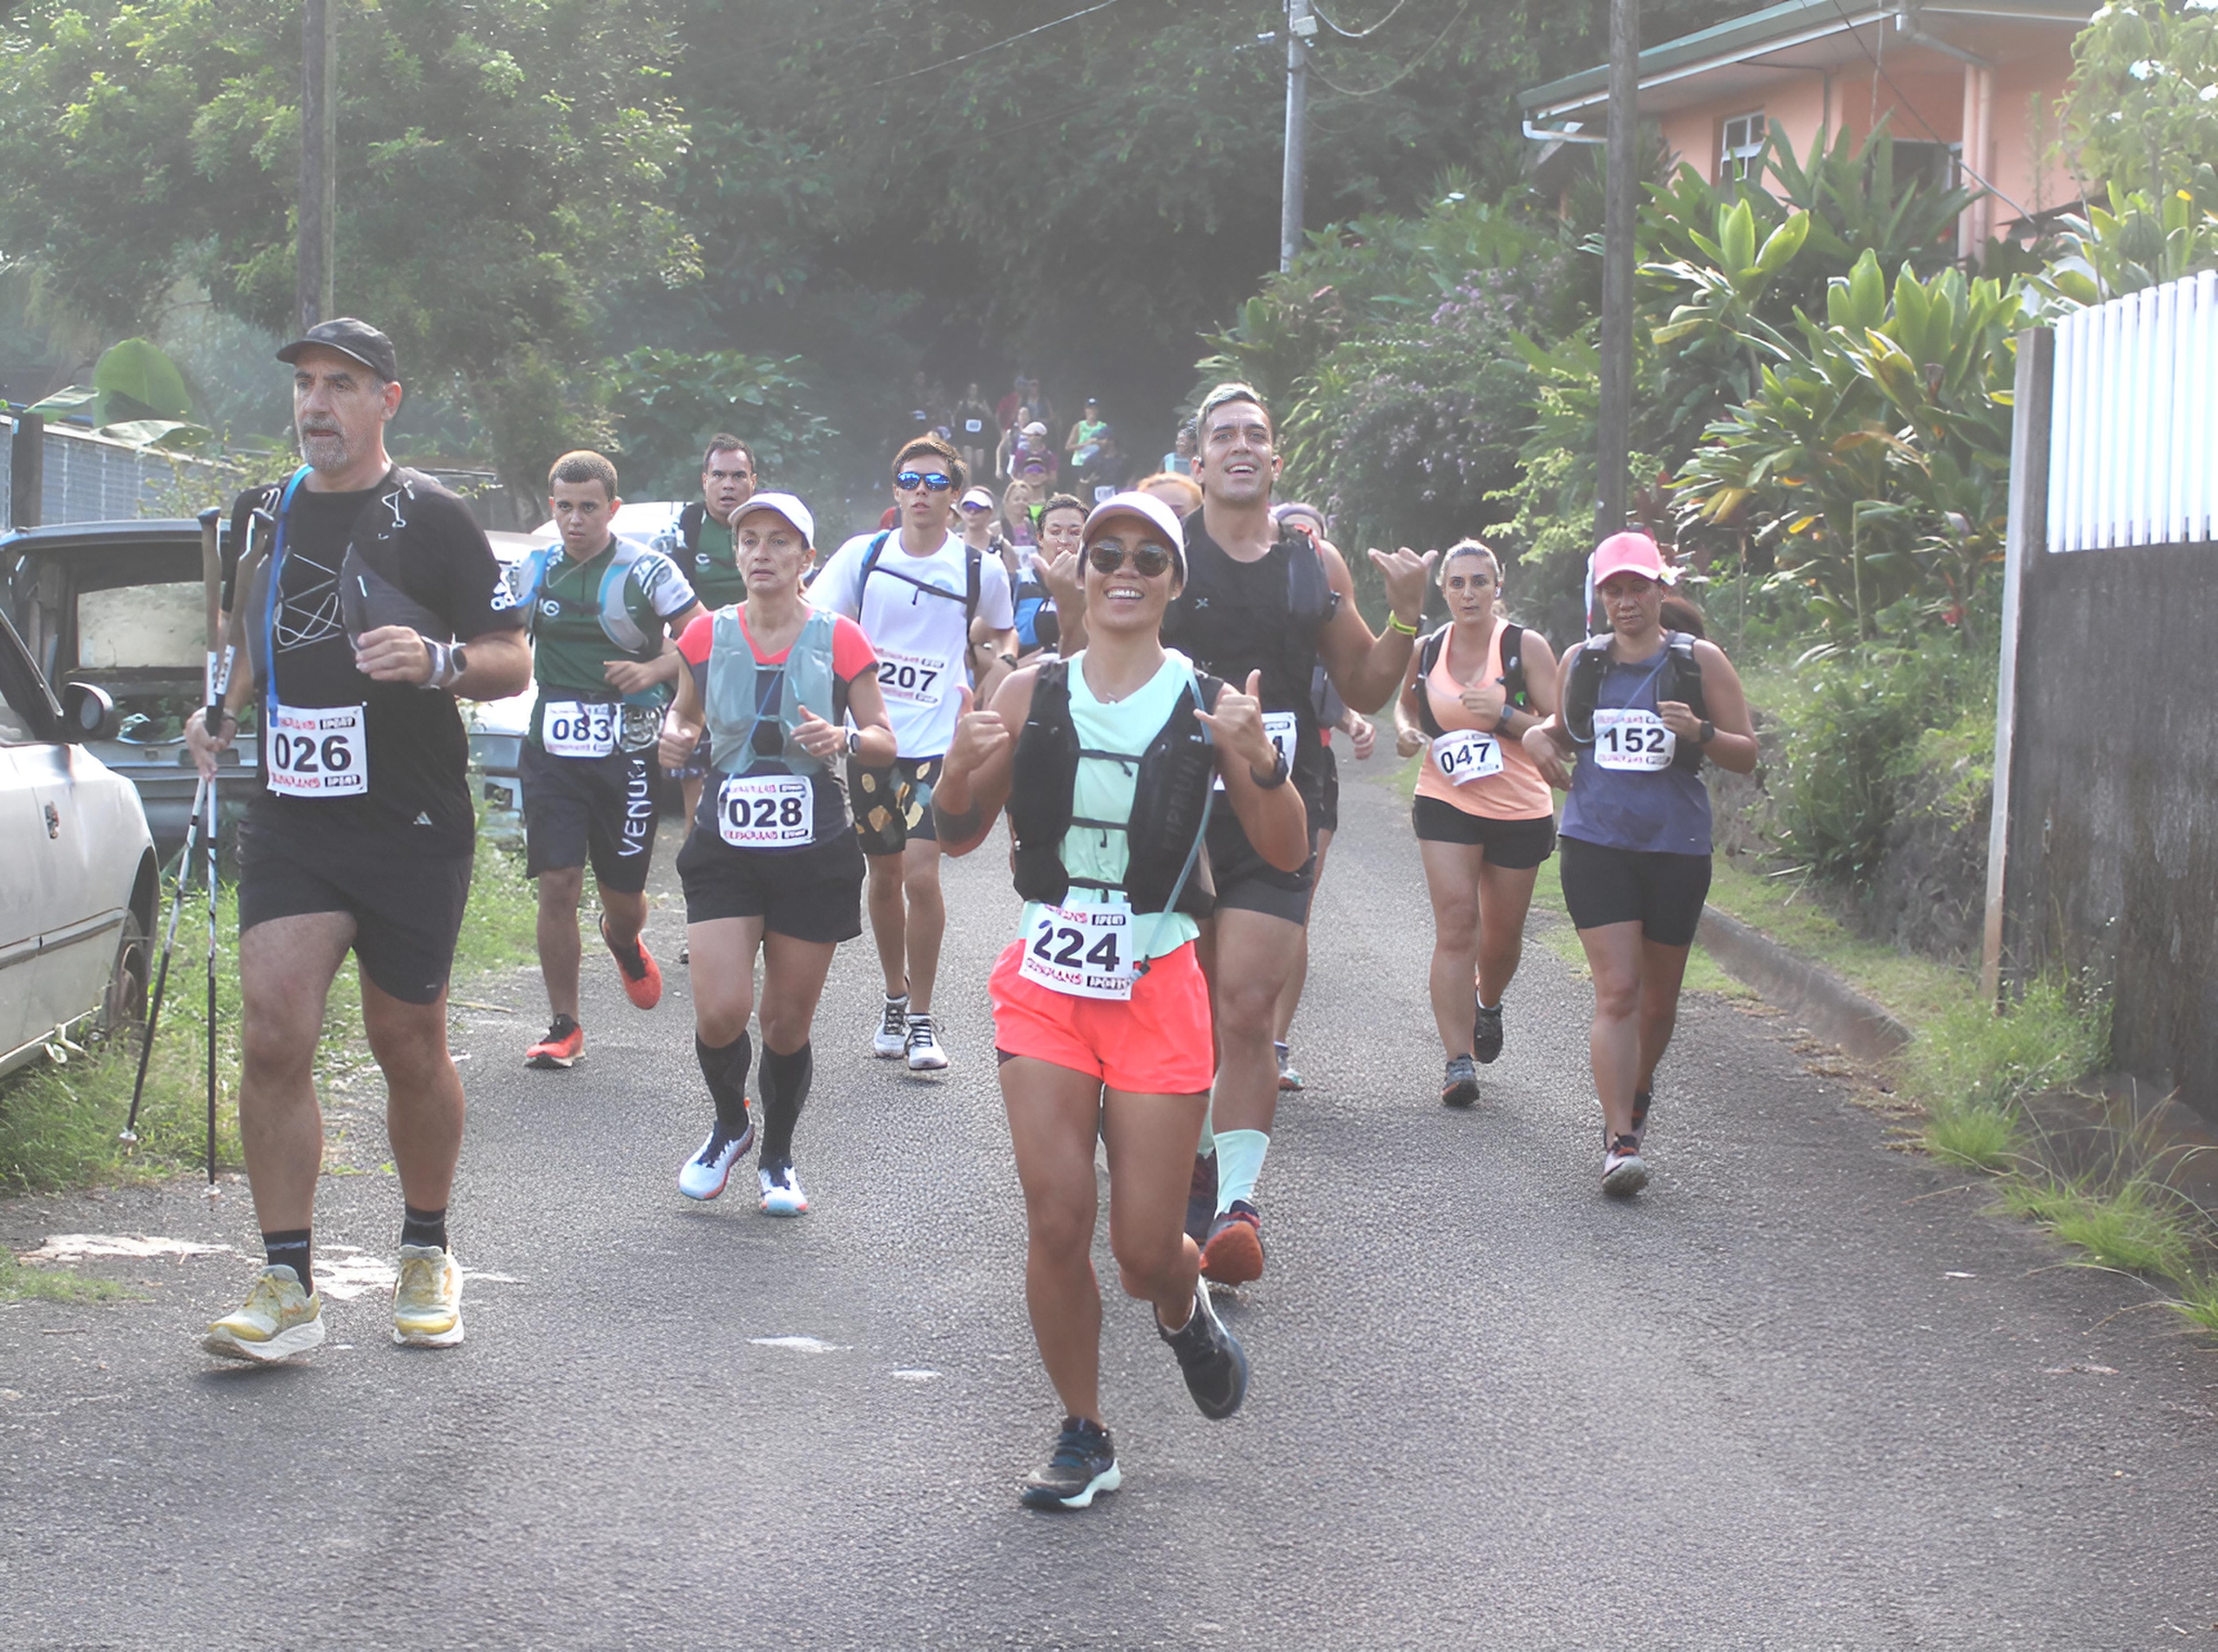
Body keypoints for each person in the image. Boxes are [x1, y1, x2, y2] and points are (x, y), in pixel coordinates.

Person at [932, 490, 1307, 1510]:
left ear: (1174, 582)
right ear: (1080, 572)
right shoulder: (1026, 692)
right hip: (1046, 986)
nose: (1125, 569)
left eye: (1149, 555)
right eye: (1107, 554)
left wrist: (1262, 761)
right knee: (1057, 1220)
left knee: (1144, 1254)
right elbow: (956, 829)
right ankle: (1085, 1431)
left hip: (1156, 987)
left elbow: (1285, 851)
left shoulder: (1210, 703)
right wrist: (959, 776)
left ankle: (1184, 1314)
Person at [186, 317, 532, 1361]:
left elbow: (511, 659)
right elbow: (249, 626)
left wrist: (434, 662)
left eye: (340, 384)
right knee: (274, 1029)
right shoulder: (266, 511)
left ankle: (426, 1249)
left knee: (404, 1044)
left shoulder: (431, 516)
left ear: (388, 398)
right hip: (295, 813)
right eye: (304, 385)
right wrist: (225, 709)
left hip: (411, 821)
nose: (315, 405)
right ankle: (286, 1283)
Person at [1047, 385, 1431, 1285]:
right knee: (1179, 1017)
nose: (1241, 447)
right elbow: (1094, 655)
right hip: (1170, 815)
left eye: (1256, 434)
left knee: (1247, 1008)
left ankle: (1237, 1207)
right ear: (1198, 459)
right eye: (1224, 436)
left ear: (1277, 458)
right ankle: (1181, 1167)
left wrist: (1408, 614)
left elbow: (1367, 684)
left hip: (1274, 803)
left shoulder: (1309, 562)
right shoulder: (1166, 554)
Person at [657, 492, 895, 1214]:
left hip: (812, 845)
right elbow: (685, 710)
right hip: (727, 842)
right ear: (736, 554)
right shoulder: (704, 634)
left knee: (785, 1023)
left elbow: (885, 737)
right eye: (750, 540)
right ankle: (731, 1124)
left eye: (779, 542)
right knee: (720, 1011)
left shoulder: (840, 636)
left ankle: (779, 1158)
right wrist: (673, 733)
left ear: (806, 559)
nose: (762, 552)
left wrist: (845, 740)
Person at [1522, 532, 1757, 1195]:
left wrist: (1701, 733)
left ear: (1661, 590)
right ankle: (1619, 1137)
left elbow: (1746, 753)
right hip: (1597, 842)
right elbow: (1559, 729)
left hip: (1675, 847)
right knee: (1618, 991)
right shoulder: (1584, 663)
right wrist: (1539, 738)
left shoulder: (1698, 662)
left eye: (1637, 588)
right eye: (1614, 590)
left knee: (1659, 1003)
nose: (1626, 602)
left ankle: (1638, 1085)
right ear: (1600, 598)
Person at [808, 434, 1017, 1071]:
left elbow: (1003, 629)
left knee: (922, 876)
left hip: (936, 746)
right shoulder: (861, 557)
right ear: (895, 489)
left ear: (956, 496)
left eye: (935, 483)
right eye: (910, 480)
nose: (921, 492)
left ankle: (923, 1019)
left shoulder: (980, 569)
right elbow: (820, 624)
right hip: (874, 743)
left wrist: (1000, 664)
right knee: (886, 877)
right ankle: (894, 998)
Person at [510, 451, 705, 1069]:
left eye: (587, 507)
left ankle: (622, 939)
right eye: (564, 507)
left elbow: (704, 638)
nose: (574, 520)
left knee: (623, 898)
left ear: (612, 509)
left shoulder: (649, 571)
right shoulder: (532, 569)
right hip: (553, 750)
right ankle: (564, 1024)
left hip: (628, 749)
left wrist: (653, 668)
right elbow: (498, 638)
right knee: (558, 883)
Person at [1394, 540, 1561, 1107]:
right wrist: (1405, 730)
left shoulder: (1523, 647)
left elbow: (1561, 723)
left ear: (1497, 588)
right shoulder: (1429, 647)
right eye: (1458, 583)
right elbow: (1407, 704)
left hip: (1518, 806)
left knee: (1501, 938)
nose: (1468, 593)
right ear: (1443, 590)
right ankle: (1456, 1059)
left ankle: (1486, 1001)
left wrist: (1507, 715)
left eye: (1479, 582)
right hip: (1446, 797)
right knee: (1457, 923)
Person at [1261, 503, 1374, 1094]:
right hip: (1228, 764)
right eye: (1293, 530)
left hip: (1307, 765)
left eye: (1314, 533)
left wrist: (1356, 721)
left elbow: (1345, 679)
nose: (1303, 538)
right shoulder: (1252, 594)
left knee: (1293, 907)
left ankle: (1276, 1044)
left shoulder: (1324, 600)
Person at [651, 435, 758, 830]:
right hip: (699, 677)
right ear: (705, 481)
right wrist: (670, 663)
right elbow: (653, 624)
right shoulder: (682, 533)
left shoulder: (771, 528)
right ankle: (702, 874)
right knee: (700, 806)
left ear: (753, 481)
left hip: (763, 674)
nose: (728, 485)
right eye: (719, 475)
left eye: (738, 476)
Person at [952, 382, 996, 480]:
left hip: (979, 437)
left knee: (979, 464)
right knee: (969, 461)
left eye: (975, 389)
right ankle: (970, 485)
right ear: (968, 391)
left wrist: (983, 409)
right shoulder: (962, 403)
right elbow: (955, 418)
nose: (973, 392)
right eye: (971, 389)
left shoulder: (982, 403)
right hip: (967, 437)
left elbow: (990, 417)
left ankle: (978, 482)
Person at [1064, 397, 1107, 470]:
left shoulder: (1103, 426)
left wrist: (1097, 443)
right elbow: (1068, 447)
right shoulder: (1079, 426)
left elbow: (1108, 445)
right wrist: (1085, 444)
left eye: (1095, 409)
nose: (1092, 411)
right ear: (1085, 411)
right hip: (1080, 464)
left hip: (1098, 463)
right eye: (1090, 409)